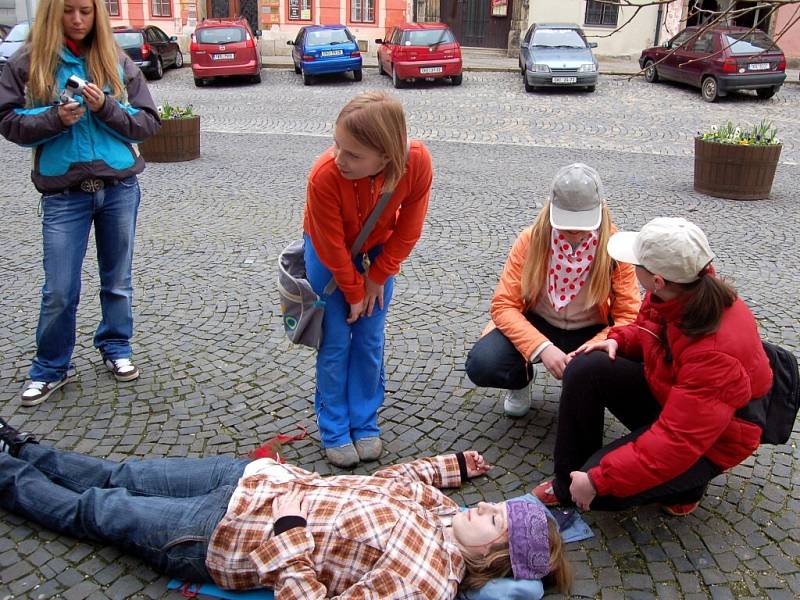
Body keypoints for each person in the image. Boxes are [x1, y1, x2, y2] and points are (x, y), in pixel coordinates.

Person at [0, 418, 572, 598]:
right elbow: (398, 476)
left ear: (491, 559)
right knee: (121, 471)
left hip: (223, 535)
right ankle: (25, 448)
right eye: (493, 505)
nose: (483, 509)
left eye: (493, 519)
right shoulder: (440, 515)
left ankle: (8, 476)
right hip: (249, 477)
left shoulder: (425, 581)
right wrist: (455, 467)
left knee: (100, 508)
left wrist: (292, 530)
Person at [532, 217, 773, 516]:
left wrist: (597, 479)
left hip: (712, 438)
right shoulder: (678, 290)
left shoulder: (715, 354)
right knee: (585, 367)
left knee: (602, 493)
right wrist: (618, 340)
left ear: (657, 279)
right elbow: (648, 331)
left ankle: (688, 487)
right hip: (677, 398)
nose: (631, 269)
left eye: (637, 264)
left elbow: (678, 441)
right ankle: (566, 482)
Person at [0, 0, 160, 406]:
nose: (77, 19)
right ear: (55, 13)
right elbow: (8, 122)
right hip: (63, 191)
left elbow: (147, 122)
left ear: (96, 15)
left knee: (118, 282)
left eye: (86, 11)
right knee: (59, 288)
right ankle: (51, 367)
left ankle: (116, 347)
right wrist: (56, 118)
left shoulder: (116, 59)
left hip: (118, 187)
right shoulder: (28, 62)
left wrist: (104, 107)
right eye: (69, 11)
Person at [303, 92, 432, 467]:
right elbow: (329, 244)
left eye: (353, 154)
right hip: (329, 253)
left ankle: (364, 421)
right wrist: (354, 290)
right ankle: (334, 428)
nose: (339, 159)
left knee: (370, 339)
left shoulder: (417, 162)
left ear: (386, 156)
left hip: (377, 250)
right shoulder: (324, 174)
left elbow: (409, 227)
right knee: (336, 341)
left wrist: (380, 274)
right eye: (337, 145)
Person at [465, 163, 640, 417]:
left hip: (593, 329)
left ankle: (590, 390)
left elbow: (629, 316)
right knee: (484, 363)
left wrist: (590, 350)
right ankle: (520, 380)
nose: (574, 235)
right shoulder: (531, 239)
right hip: (540, 322)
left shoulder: (614, 247)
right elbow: (503, 305)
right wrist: (541, 347)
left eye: (582, 227)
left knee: (636, 359)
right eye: (568, 226)